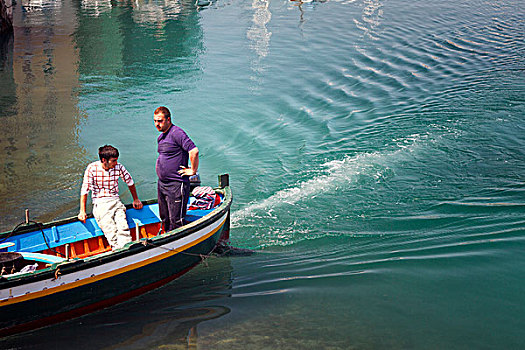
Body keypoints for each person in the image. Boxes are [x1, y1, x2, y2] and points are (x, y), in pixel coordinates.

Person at [78, 145, 143, 249]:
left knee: (123, 228)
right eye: (113, 161)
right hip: (100, 204)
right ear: (104, 160)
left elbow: (130, 182)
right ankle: (117, 249)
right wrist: (82, 211)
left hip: (115, 201)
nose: (115, 163)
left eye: (116, 160)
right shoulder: (92, 168)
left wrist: (136, 199)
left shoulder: (119, 167)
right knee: (110, 231)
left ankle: (127, 249)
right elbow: (85, 190)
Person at [153, 106, 199, 231]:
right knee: (165, 217)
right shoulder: (161, 137)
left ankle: (179, 246)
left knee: (176, 220)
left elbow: (194, 151)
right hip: (162, 184)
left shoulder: (177, 133)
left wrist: (193, 171)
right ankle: (166, 238)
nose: (157, 124)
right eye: (155, 121)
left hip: (176, 184)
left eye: (160, 121)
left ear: (168, 119)